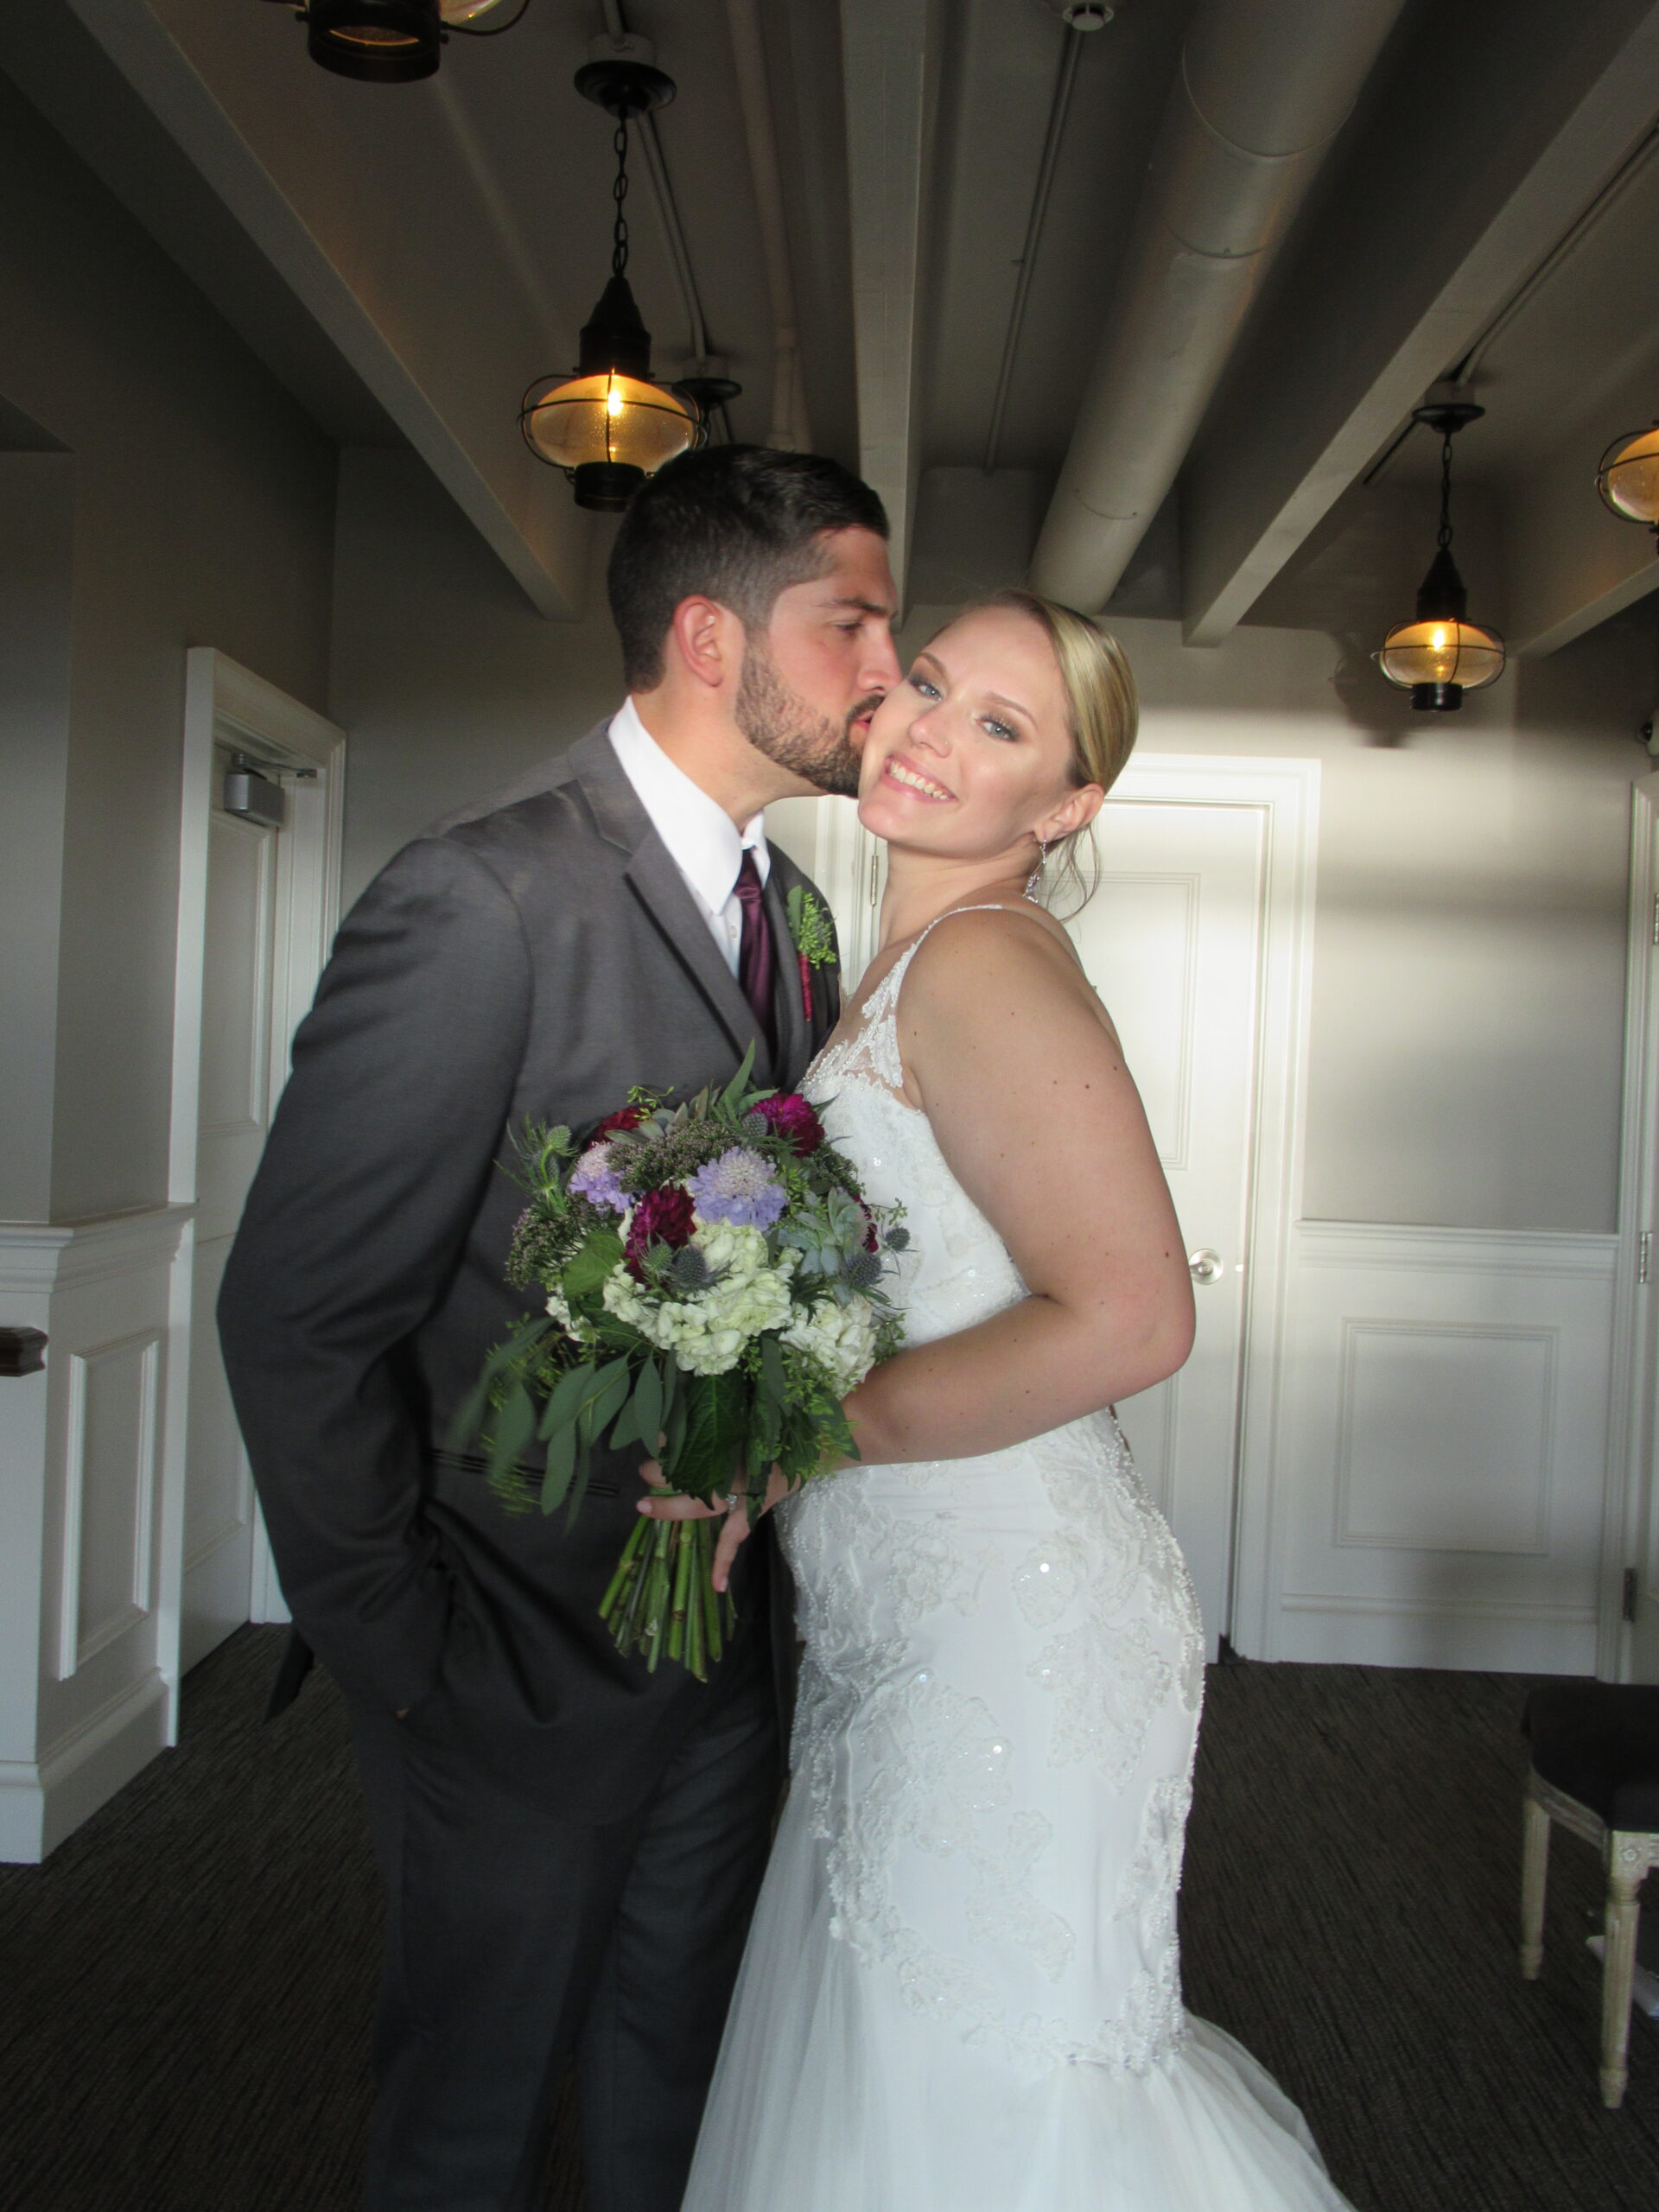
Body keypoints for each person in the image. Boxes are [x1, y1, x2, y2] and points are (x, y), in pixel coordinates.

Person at [216, 444, 901, 2212]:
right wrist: (411, 1657)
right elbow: (298, 1317)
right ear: (705, 632)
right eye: (855, 625)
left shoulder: (798, 915)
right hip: (501, 1669)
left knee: (671, 2089)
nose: (886, 674)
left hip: (726, 1657)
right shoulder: (480, 900)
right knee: (472, 2116)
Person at [645, 592, 1357, 2211]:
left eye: (1001, 728)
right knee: (902, 2069)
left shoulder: (979, 967)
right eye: (936, 686)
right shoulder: (885, 958)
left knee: (985, 2087)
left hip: (1012, 1632)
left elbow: (1133, 1317)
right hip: (911, 1610)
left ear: (1067, 806)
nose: (926, 733)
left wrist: (797, 1438)